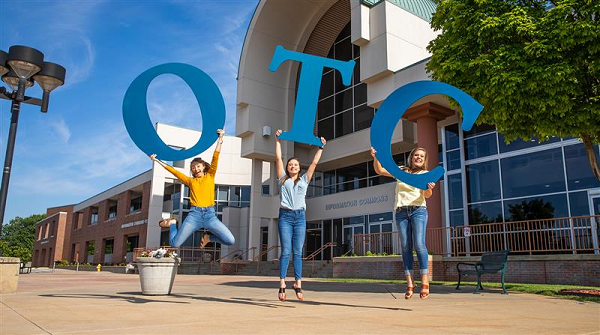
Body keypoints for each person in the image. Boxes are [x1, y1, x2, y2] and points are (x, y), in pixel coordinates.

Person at [151, 129, 235, 250]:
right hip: (194, 216)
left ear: (203, 167)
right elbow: (174, 171)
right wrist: (157, 160)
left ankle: (208, 238)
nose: (195, 168)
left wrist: (220, 139)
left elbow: (215, 157)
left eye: (198, 166)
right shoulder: (190, 181)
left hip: (210, 215)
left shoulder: (210, 175)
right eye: (193, 167)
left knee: (230, 240)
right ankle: (173, 223)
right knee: (175, 244)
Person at [371, 147, 436, 300]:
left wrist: (429, 189)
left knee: (419, 244)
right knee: (406, 246)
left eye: (422, 156)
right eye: (416, 155)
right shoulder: (401, 171)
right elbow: (380, 170)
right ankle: (410, 283)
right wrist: (375, 156)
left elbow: (427, 194)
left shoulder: (425, 174)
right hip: (401, 212)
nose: (418, 158)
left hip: (418, 210)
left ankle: (425, 281)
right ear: (411, 157)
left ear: (424, 159)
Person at [275, 129, 326, 301]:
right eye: (291, 165)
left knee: (297, 252)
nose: (293, 166)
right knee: (286, 251)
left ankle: (298, 282)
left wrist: (321, 147)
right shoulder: (282, 178)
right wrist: (278, 140)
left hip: (300, 217)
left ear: (299, 168)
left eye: (295, 165)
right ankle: (282, 282)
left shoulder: (304, 180)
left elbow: (313, 164)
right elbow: (278, 159)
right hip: (285, 217)